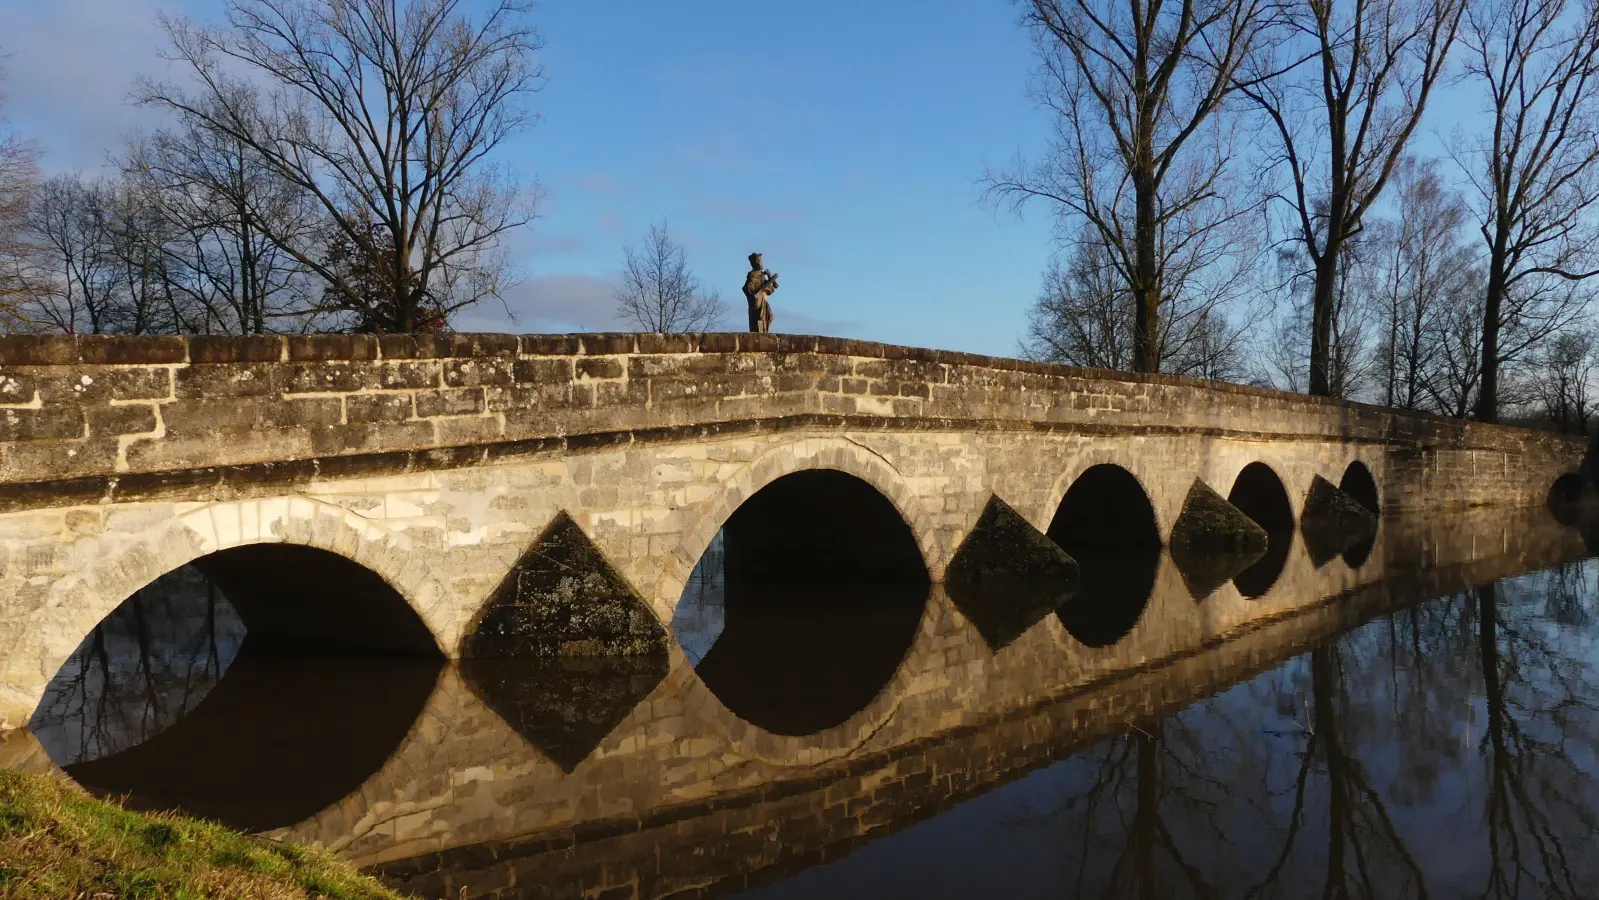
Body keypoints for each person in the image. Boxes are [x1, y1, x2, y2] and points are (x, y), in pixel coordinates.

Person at [741, 252, 779, 333]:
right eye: (757, 261)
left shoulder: (761, 275)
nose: (759, 263)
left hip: (763, 301)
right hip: (757, 303)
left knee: (768, 317)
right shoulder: (752, 275)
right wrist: (755, 295)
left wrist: (769, 277)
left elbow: (772, 288)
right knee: (758, 320)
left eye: (760, 261)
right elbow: (747, 289)